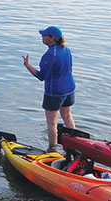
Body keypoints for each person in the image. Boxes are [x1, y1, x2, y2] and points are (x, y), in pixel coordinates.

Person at [22, 25, 76, 154]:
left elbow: (41, 76)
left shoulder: (50, 54)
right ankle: (75, 144)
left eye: (44, 35)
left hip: (55, 92)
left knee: (52, 123)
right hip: (69, 88)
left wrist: (27, 65)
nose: (42, 37)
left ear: (52, 39)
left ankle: (52, 149)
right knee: (67, 116)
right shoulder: (66, 49)